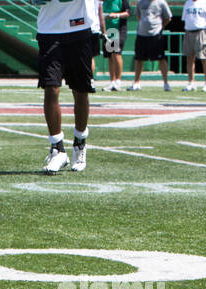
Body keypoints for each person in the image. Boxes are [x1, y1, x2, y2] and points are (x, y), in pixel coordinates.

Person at [36, 0, 95, 174]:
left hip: (78, 28)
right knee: (51, 88)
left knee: (81, 91)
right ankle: (57, 149)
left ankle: (80, 143)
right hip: (49, 29)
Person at [131, 0, 172, 91]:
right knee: (139, 59)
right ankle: (136, 83)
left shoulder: (161, 2)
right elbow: (138, 16)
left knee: (161, 59)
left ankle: (166, 83)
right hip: (141, 34)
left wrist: (160, 27)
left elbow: (168, 18)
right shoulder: (140, 2)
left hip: (156, 35)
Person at [181, 0, 206, 89]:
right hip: (189, 32)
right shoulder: (187, 3)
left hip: (202, 31)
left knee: (204, 58)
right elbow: (185, 19)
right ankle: (191, 82)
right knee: (189, 58)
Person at [101, 0, 130, 89]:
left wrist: (116, 15)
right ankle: (112, 81)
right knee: (110, 56)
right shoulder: (103, 1)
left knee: (116, 53)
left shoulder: (122, 1)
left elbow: (128, 13)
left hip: (118, 29)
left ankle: (118, 81)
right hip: (108, 31)